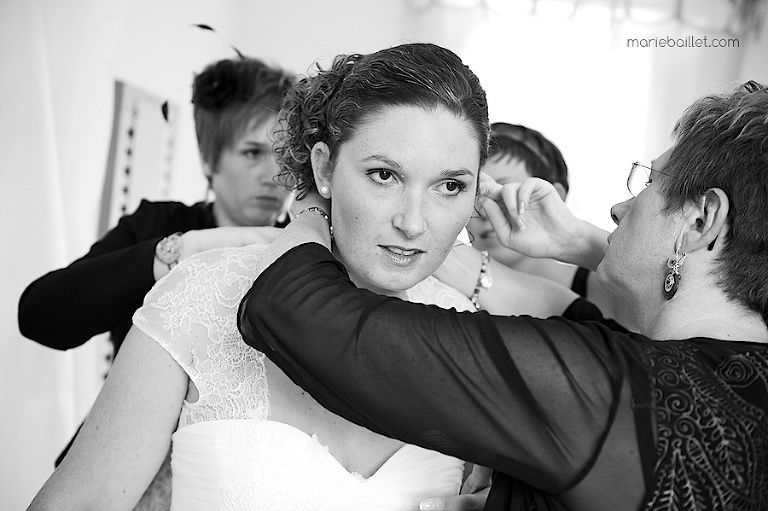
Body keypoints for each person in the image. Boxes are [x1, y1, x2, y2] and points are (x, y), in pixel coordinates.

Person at [238, 80, 768, 510]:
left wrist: (314, 198)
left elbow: (297, 308)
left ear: (701, 219)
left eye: (647, 184)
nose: (617, 210)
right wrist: (586, 245)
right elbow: (581, 315)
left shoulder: (616, 387)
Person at [27, 42, 495, 510]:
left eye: (450, 185)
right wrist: (184, 249)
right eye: (384, 175)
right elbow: (45, 314)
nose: (413, 223)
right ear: (323, 168)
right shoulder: (201, 287)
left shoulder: (472, 335)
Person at [19, 56, 295, 508]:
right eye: (252, 153)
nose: (273, 175)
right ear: (209, 159)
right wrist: (180, 250)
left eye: (284, 156)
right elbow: (40, 315)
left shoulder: (302, 251)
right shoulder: (159, 226)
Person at [434, 122, 637, 330]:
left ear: (553, 196)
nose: (486, 209)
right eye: (474, 193)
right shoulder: (438, 281)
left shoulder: (612, 290)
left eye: (505, 192)